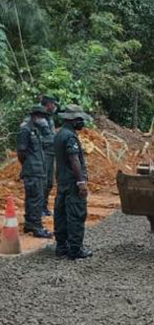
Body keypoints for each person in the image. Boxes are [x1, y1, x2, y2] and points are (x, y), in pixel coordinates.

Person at [53, 105, 93, 260]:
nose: (81, 122)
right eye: (79, 119)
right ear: (71, 120)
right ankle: (75, 250)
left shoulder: (59, 134)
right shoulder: (70, 137)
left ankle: (62, 247)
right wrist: (81, 182)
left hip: (62, 181)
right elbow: (74, 160)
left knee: (61, 214)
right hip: (72, 183)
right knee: (76, 214)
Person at [17, 106, 53, 238]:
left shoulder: (36, 130)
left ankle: (30, 224)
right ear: (36, 116)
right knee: (36, 199)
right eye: (42, 116)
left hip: (39, 170)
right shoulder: (25, 130)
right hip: (33, 171)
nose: (44, 119)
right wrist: (27, 166)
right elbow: (21, 152)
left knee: (33, 198)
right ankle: (37, 227)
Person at [39, 95, 59, 216]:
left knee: (49, 183)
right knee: (43, 182)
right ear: (48, 105)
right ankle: (39, 207)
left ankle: (44, 206)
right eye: (53, 104)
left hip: (51, 153)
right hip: (43, 153)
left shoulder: (49, 118)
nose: (55, 106)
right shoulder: (39, 119)